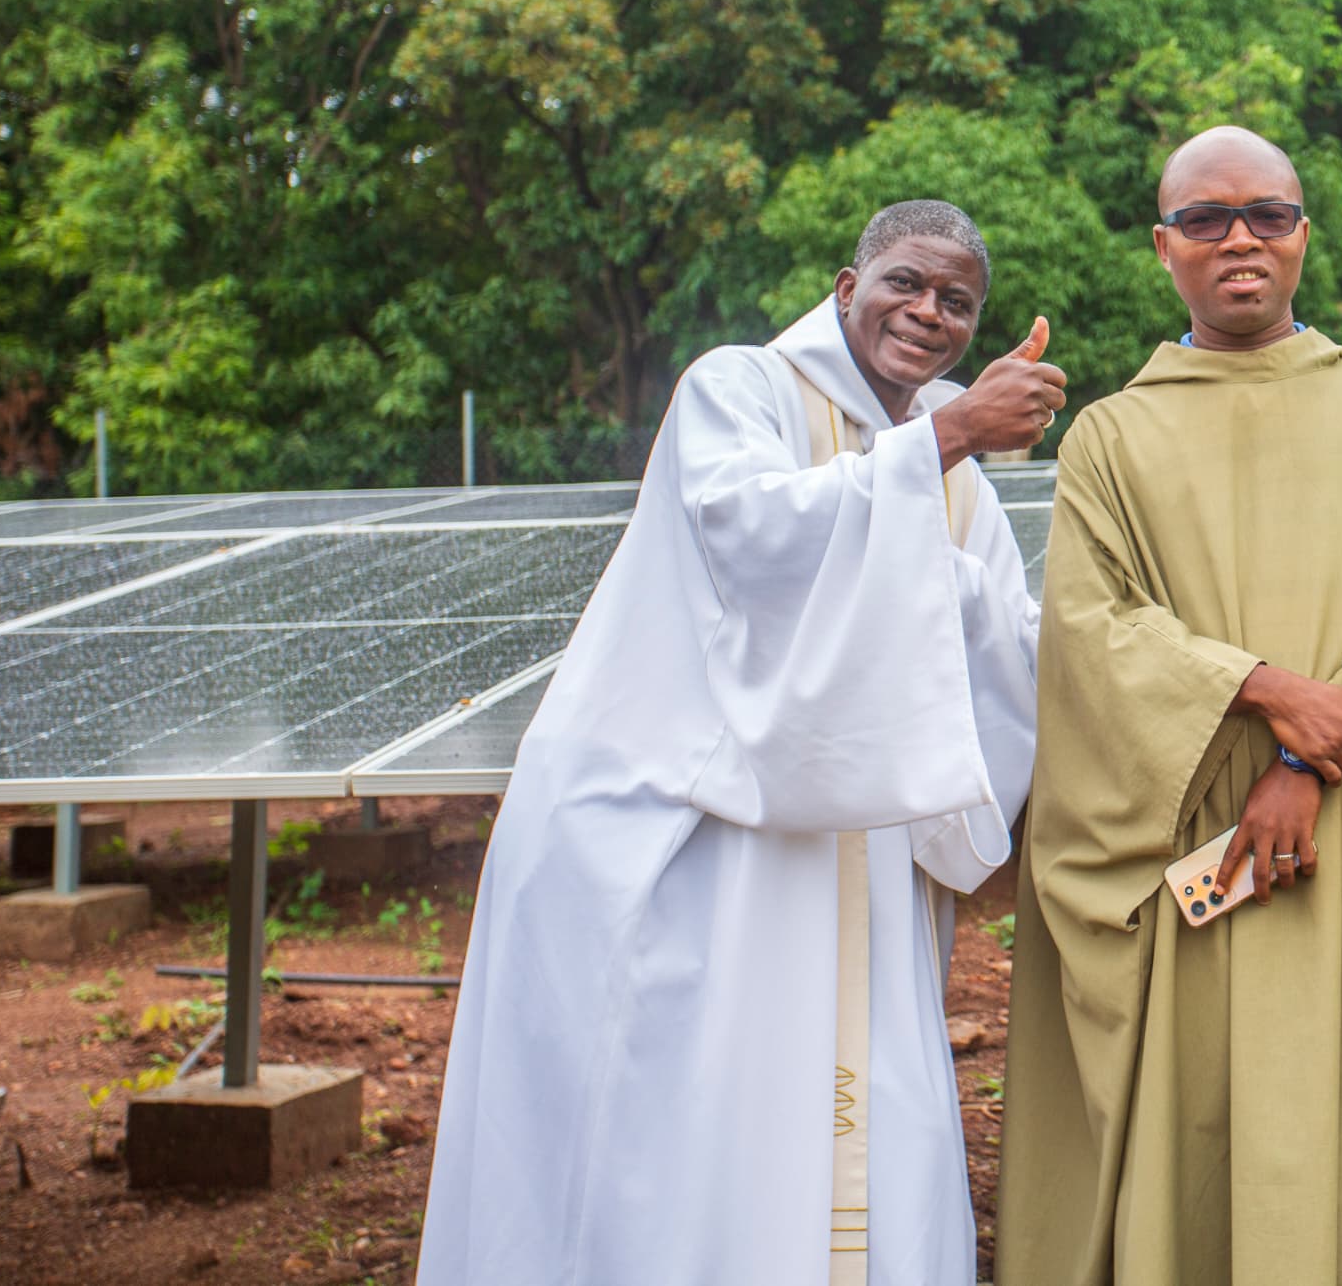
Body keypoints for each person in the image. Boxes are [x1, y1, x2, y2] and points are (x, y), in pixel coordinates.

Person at [419, 201, 1067, 1286]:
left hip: (852, 849)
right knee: (675, 1119)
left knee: (857, 1115)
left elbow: (1008, 637)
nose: (928, 312)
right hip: (685, 838)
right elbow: (749, 537)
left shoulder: (952, 469)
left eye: (957, 301)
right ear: (844, 281)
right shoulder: (742, 387)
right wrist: (947, 439)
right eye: (905, 281)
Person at [998, 127, 1342, 1286]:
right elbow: (1091, 628)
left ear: (1302, 233)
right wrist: (1263, 689)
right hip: (1196, 836)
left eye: (1266, 214)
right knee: (1207, 1133)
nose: (1237, 237)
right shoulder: (1109, 436)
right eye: (1204, 218)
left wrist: (1306, 765)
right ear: (1163, 247)